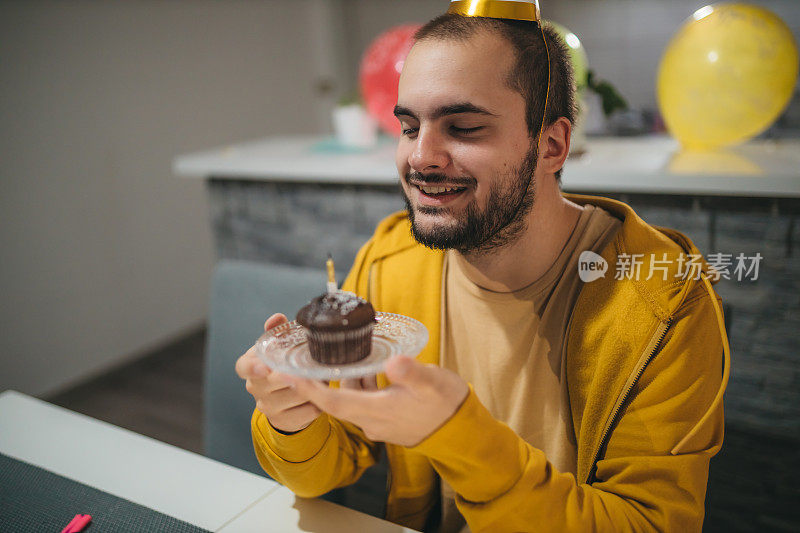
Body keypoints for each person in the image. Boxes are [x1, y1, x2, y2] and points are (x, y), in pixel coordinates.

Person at [236, 9, 730, 533]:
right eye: (408, 127)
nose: (420, 158)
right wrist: (294, 421)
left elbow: (650, 524)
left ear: (552, 145)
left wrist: (460, 436)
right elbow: (328, 467)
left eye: (464, 127)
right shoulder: (391, 265)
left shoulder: (665, 302)